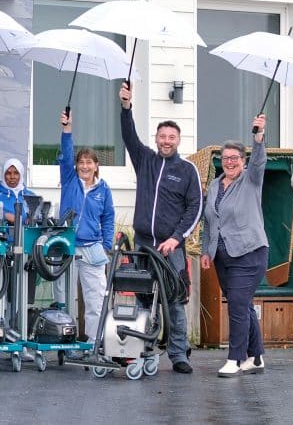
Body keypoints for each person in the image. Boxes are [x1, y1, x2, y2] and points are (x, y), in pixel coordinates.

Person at [119, 81, 203, 374]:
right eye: (162, 136)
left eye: (171, 137)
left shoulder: (187, 170)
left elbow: (195, 208)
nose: (166, 140)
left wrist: (176, 239)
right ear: (156, 138)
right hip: (143, 245)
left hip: (171, 249)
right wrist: (126, 107)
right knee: (143, 299)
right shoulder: (145, 159)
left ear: (178, 140)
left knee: (175, 302)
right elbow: (128, 135)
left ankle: (179, 354)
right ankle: (141, 347)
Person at [201, 114, 269, 378]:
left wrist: (259, 136)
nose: (229, 162)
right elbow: (209, 221)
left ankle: (236, 358)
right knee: (244, 305)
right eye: (225, 158)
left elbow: (260, 160)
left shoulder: (251, 180)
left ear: (243, 161)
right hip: (222, 256)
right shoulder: (215, 185)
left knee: (238, 305)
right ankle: (256, 356)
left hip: (250, 254)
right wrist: (207, 250)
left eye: (235, 158)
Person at [55, 110, 115, 345]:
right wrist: (67, 129)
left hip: (92, 249)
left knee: (96, 299)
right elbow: (66, 152)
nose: (85, 166)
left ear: (96, 166)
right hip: (67, 247)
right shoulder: (69, 179)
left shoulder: (104, 189)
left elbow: (108, 218)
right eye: (81, 162)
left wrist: (107, 244)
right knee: (65, 298)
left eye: (89, 162)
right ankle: (65, 341)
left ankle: (93, 342)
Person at [0, 158, 37, 310]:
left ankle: (15, 326)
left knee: (18, 293)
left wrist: (21, 219)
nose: (12, 177)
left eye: (15, 173)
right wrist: (7, 217)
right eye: (8, 173)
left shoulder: (30, 196)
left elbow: (36, 219)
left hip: (23, 252)